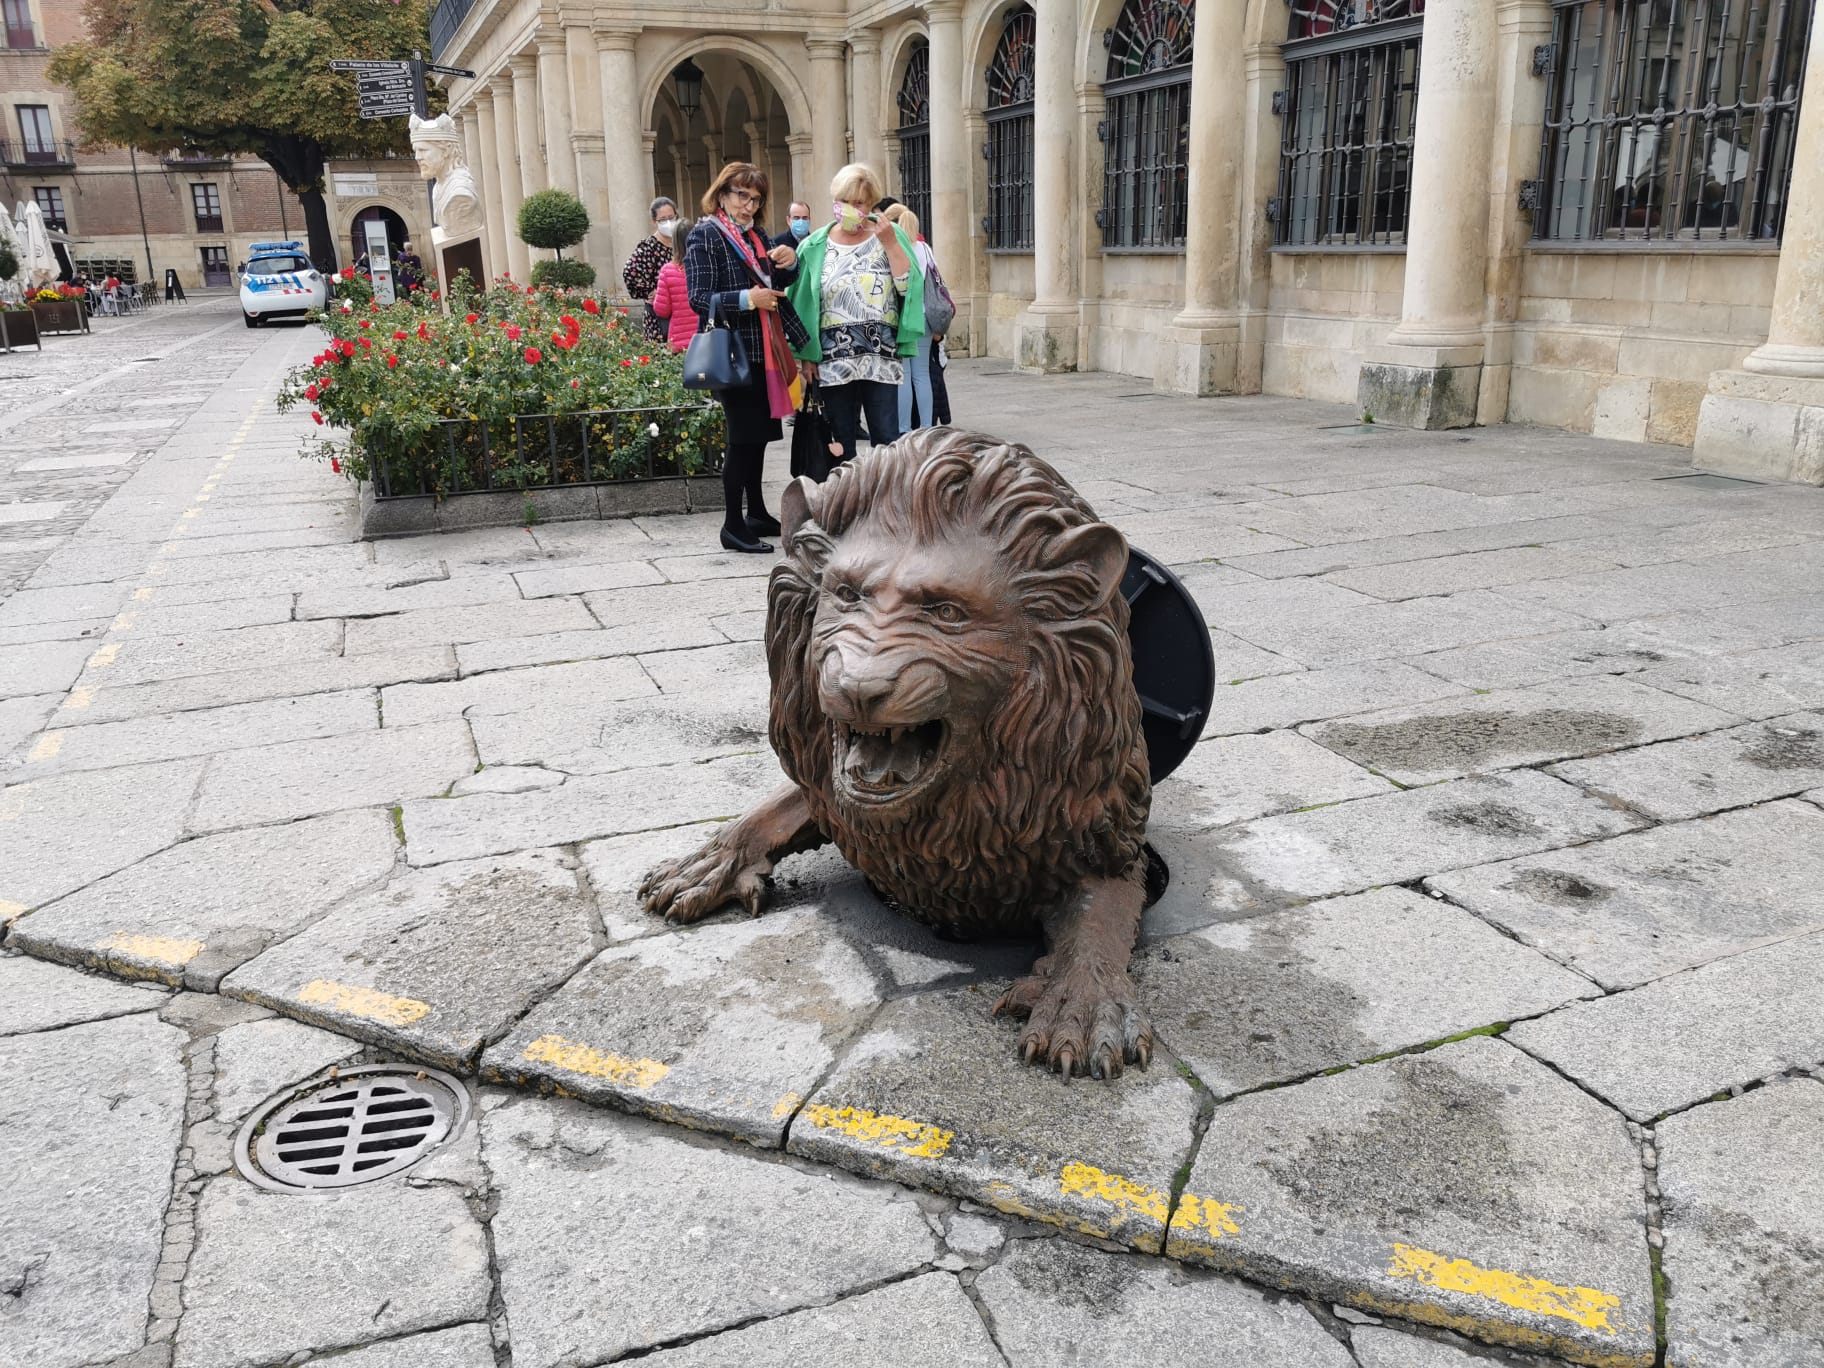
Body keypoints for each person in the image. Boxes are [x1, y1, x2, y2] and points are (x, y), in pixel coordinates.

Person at [683, 163, 806, 554]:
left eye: (756, 199)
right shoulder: (706, 235)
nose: (749, 205)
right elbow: (699, 299)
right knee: (742, 440)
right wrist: (745, 300)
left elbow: (775, 285)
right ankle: (732, 524)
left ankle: (756, 512)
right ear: (722, 194)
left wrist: (791, 262)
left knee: (761, 438)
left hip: (764, 352)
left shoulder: (755, 235)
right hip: (733, 355)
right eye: (741, 195)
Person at [784, 164, 926, 467]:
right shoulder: (815, 245)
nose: (850, 209)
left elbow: (908, 288)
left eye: (859, 203)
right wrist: (805, 355)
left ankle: (887, 506)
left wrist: (889, 242)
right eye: (844, 202)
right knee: (838, 442)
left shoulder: (891, 235)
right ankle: (843, 508)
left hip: (880, 358)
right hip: (833, 361)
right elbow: (800, 302)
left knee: (887, 441)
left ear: (870, 203)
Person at [881, 204, 939, 436]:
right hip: (924, 316)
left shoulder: (894, 249)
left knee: (903, 375)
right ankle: (927, 427)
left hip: (902, 317)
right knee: (922, 374)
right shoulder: (924, 248)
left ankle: (903, 428)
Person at [622, 196, 678, 345]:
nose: (668, 223)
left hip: (680, 311)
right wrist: (651, 292)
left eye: (671, 218)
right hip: (658, 314)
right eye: (663, 219)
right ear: (654, 221)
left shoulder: (681, 242)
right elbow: (630, 272)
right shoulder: (648, 247)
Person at [650, 216, 699, 353]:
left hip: (678, 342)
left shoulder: (667, 271)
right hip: (705, 340)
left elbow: (662, 311)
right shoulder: (705, 267)